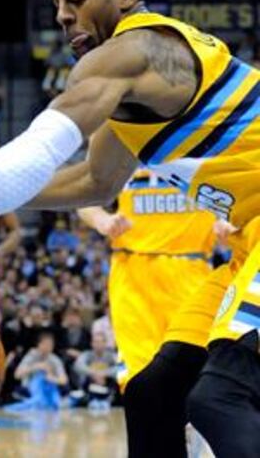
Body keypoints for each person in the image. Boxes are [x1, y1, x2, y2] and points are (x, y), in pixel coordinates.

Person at [0, 0, 260, 457]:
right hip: (249, 245)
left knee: (220, 398)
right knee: (153, 392)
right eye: (58, 4)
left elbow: (37, 154)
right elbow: (96, 181)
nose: (64, 15)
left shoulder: (132, 52)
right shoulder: (132, 92)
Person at [77, 167, 228, 447]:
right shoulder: (126, 139)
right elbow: (83, 195)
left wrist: (229, 221)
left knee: (197, 385)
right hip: (134, 276)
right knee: (140, 386)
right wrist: (103, 220)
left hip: (192, 273)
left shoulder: (207, 142)